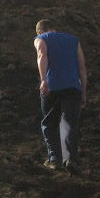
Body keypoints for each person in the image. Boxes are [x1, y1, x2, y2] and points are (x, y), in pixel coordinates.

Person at [34, 19, 88, 175]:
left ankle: (55, 160)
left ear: (40, 31)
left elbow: (42, 55)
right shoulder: (73, 40)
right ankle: (71, 159)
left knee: (50, 122)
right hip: (73, 87)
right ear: (54, 28)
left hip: (52, 86)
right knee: (69, 123)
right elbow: (83, 68)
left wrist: (44, 80)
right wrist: (83, 92)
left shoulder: (41, 39)